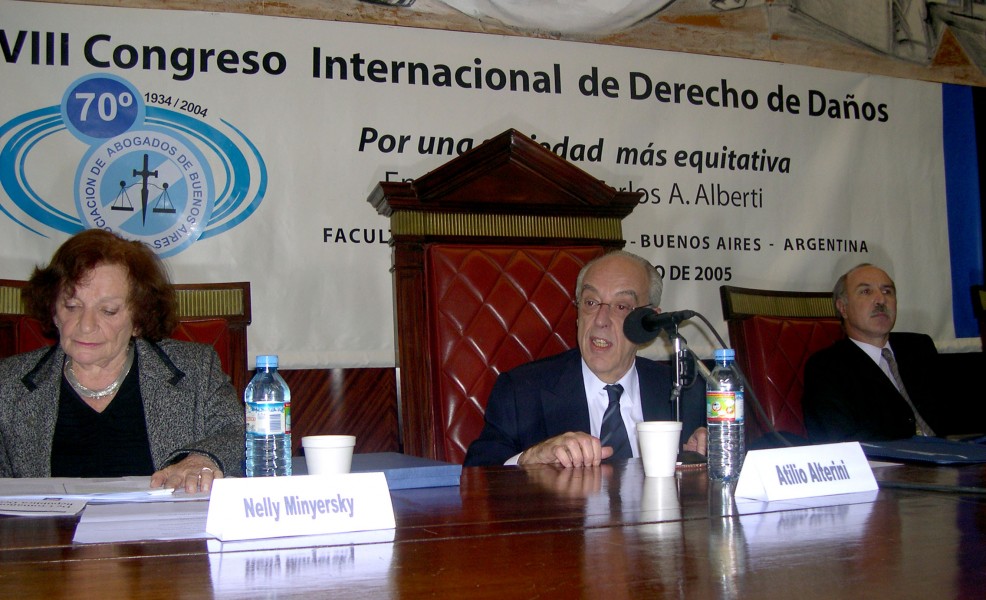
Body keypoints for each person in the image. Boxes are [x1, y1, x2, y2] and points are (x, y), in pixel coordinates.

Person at [0, 229, 244, 492]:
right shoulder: (9, 383)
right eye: (72, 306)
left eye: (108, 311)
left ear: (138, 319)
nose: (86, 326)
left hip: (158, 532)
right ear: (54, 310)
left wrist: (202, 458)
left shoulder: (196, 369)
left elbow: (237, 432)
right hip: (46, 533)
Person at [463, 250, 707, 467]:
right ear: (578, 313)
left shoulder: (686, 392)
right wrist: (530, 458)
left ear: (649, 322)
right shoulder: (521, 392)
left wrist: (710, 454)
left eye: (621, 307)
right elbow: (477, 477)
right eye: (591, 302)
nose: (600, 320)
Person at [802, 263, 942, 444]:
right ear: (843, 308)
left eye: (887, 292)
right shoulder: (827, 367)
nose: (881, 300)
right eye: (866, 292)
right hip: (890, 466)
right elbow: (839, 440)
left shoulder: (920, 348)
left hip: (953, 459)